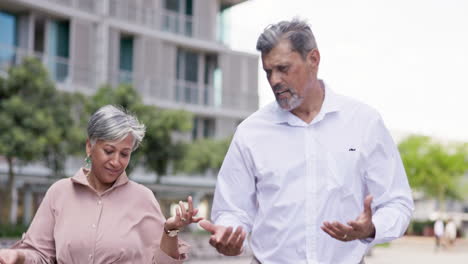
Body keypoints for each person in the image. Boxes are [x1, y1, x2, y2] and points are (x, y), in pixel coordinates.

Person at [199, 18, 414, 264]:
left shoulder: (364, 122)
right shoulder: (250, 132)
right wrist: (229, 232)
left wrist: (372, 227)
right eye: (268, 71)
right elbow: (232, 208)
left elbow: (397, 202)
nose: (274, 80)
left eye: (283, 68)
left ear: (313, 59)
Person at [0, 105, 202, 264]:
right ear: (90, 146)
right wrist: (17, 257)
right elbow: (41, 256)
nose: (116, 161)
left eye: (124, 154)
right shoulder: (59, 193)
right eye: (108, 151)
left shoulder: (143, 198)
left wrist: (170, 231)